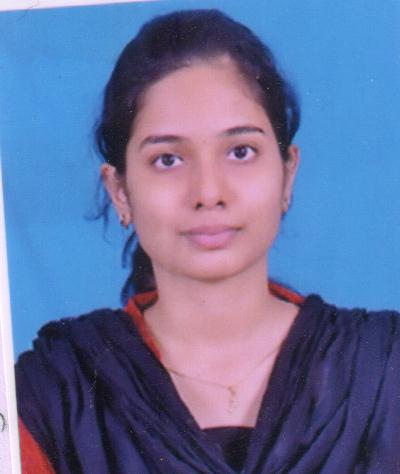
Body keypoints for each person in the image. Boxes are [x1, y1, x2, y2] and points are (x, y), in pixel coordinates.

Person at [15, 9, 400, 474]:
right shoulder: (53, 396)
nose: (209, 192)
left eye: (241, 151)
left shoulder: (384, 369)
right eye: (168, 159)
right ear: (120, 191)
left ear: (287, 173)